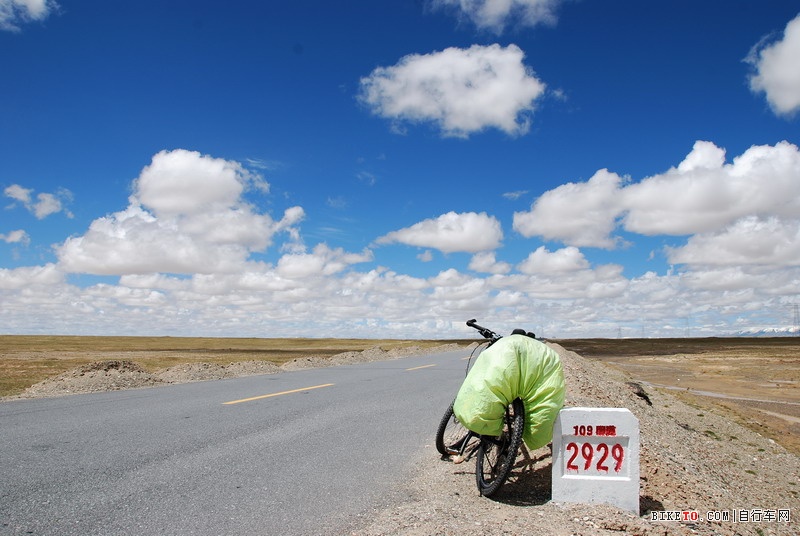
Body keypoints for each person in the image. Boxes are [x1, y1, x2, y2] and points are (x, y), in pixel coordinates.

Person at [453, 331, 565, 451]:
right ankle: (531, 436)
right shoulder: (543, 350)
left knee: (487, 387)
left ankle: (488, 427)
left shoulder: (504, 343)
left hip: (506, 372)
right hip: (535, 376)